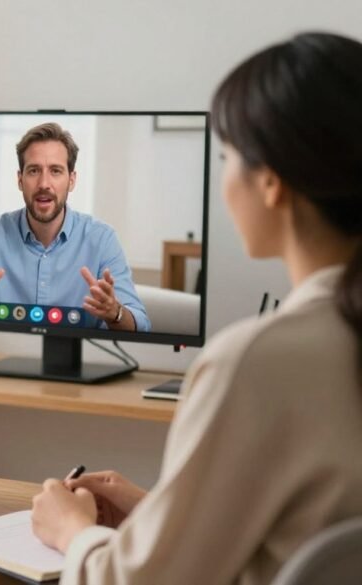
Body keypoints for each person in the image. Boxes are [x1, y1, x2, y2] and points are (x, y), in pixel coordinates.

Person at [29, 32, 362, 585]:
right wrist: (162, 510)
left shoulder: (256, 361)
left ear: (272, 183)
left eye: (228, 156)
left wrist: (71, 532)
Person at [0, 123, 150, 332]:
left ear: (71, 180)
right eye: (34, 171)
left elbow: (140, 323)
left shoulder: (102, 240)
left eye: (55, 171)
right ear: (20, 180)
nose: (44, 184)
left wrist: (115, 313)